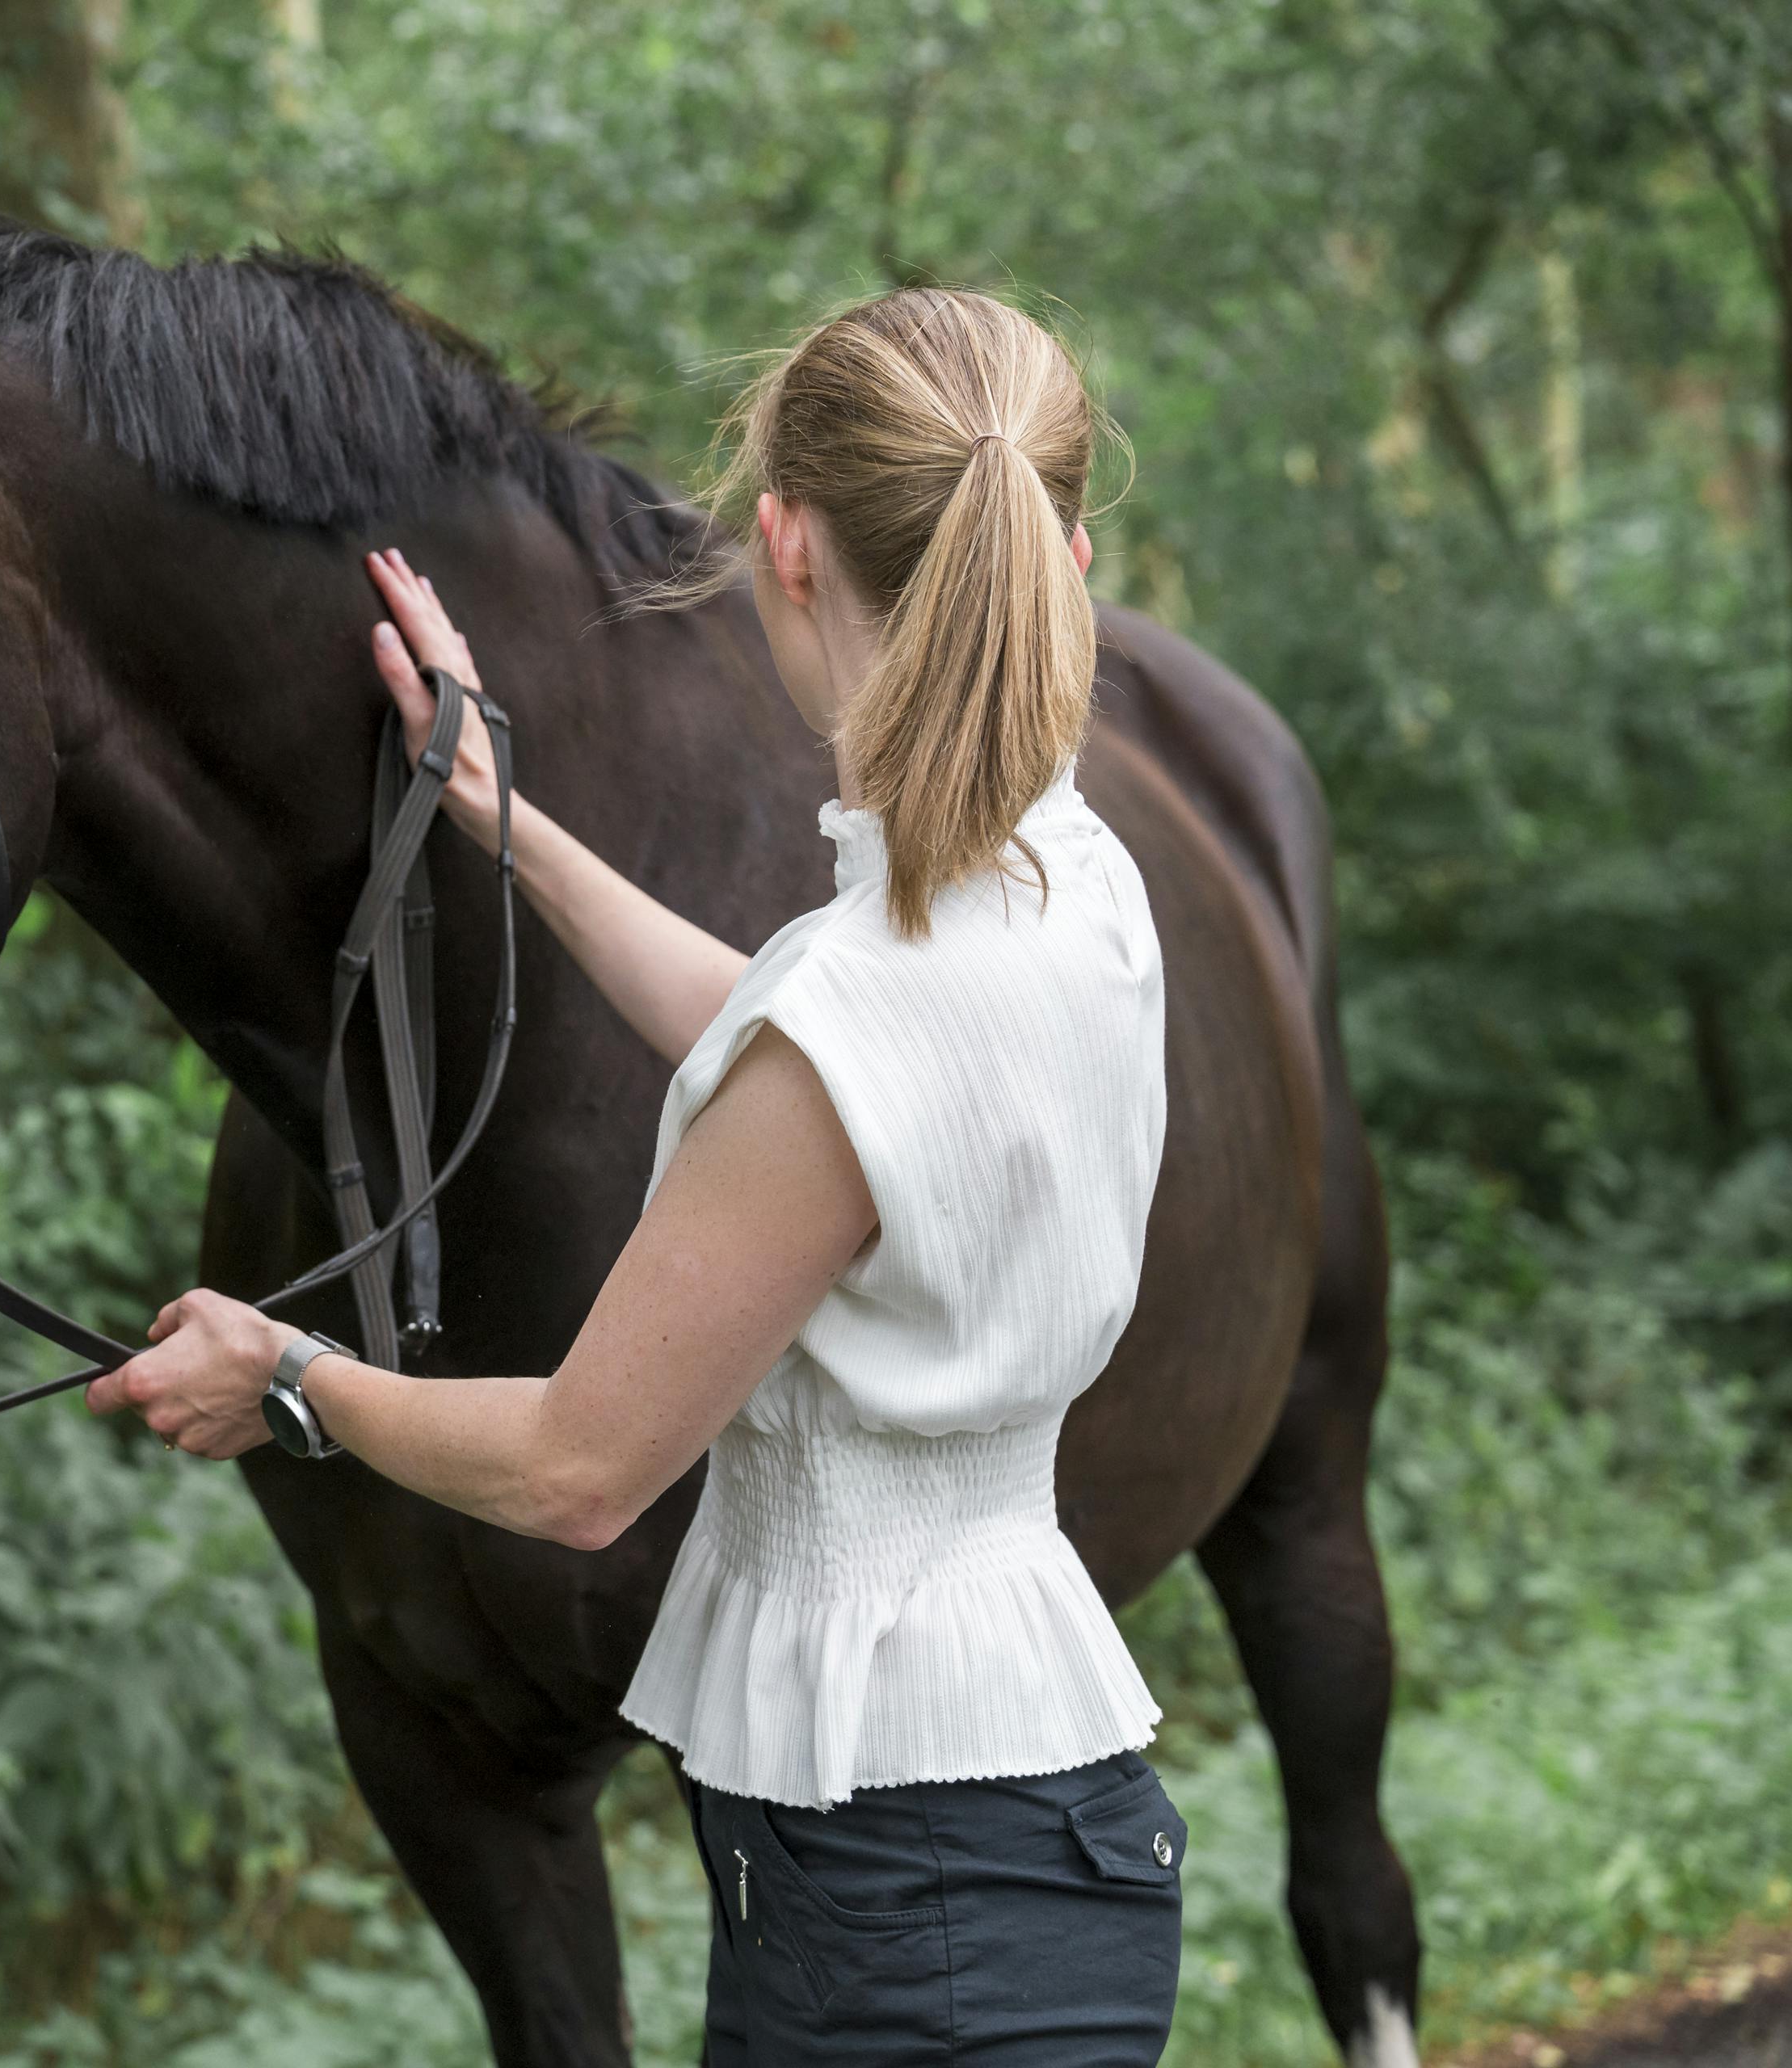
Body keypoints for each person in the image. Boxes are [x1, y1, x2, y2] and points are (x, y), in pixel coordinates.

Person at [86, 285, 1183, 2064]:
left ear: (786, 545)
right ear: (1057, 543)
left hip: (894, 1914)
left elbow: (582, 1469)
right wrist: (503, 814)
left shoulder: (865, 1002)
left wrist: (285, 1369)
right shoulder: (1072, 882)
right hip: (1038, 1843)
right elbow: (785, 1039)